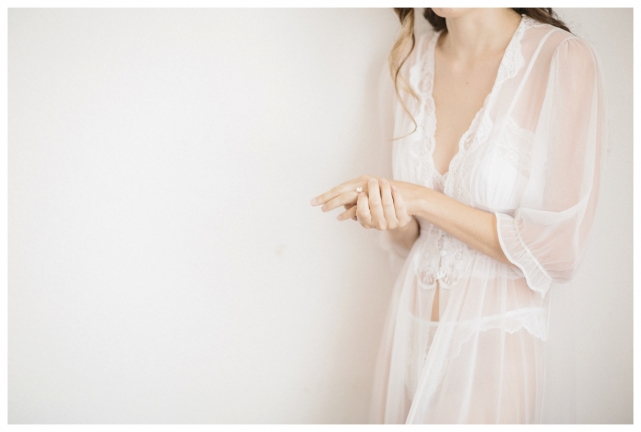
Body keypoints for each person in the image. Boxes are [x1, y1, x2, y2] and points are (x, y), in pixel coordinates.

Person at [310, 7, 605, 423]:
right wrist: (391, 213)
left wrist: (421, 199)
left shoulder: (562, 59)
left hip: (495, 341)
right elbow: (407, 241)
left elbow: (559, 251)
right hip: (408, 330)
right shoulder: (408, 60)